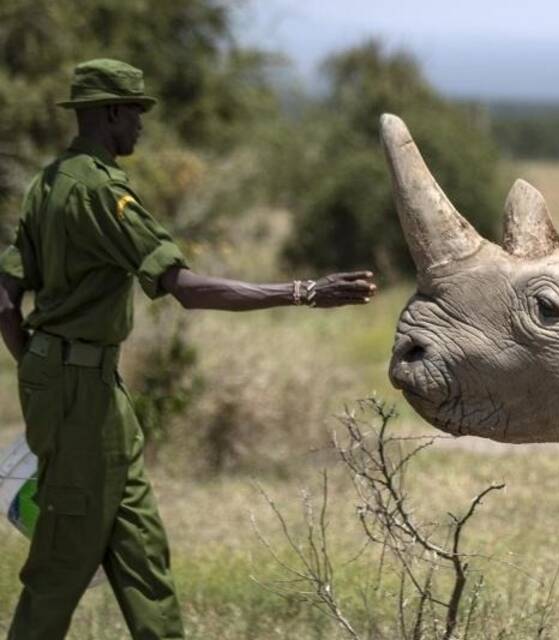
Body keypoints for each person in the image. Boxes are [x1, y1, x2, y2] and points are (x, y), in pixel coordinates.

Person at [0, 58, 377, 639]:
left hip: (90, 388)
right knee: (62, 562)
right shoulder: (101, 192)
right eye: (136, 113)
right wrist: (304, 291)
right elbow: (186, 288)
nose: (142, 127)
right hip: (80, 391)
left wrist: (36, 364)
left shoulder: (45, 183)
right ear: (111, 113)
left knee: (142, 553)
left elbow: (4, 299)